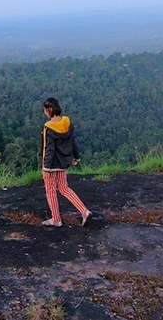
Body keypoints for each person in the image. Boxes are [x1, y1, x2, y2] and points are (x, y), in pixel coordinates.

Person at [39, 97, 92, 227]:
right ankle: (84, 211)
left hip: (51, 165)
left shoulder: (48, 127)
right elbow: (72, 142)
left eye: (45, 110)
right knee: (64, 188)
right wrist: (76, 158)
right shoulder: (67, 123)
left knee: (51, 190)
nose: (45, 112)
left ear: (50, 109)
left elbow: (48, 149)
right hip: (63, 163)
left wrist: (45, 167)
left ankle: (56, 219)